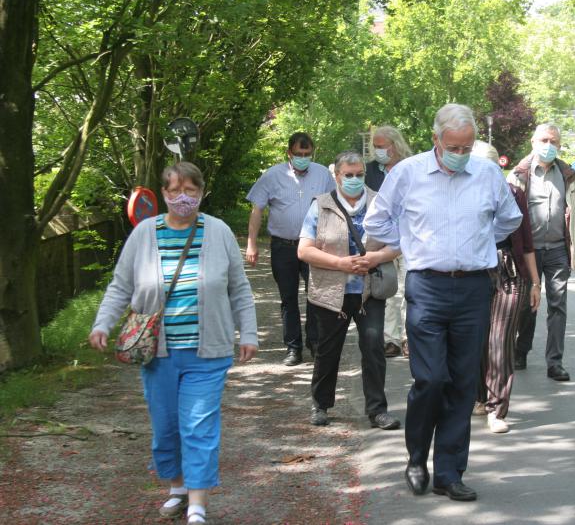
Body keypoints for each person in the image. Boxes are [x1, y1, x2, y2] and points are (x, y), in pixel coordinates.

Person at [364, 103, 522, 502]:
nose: (461, 153)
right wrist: (410, 242)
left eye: (467, 146)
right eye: (454, 146)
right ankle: (417, 457)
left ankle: (450, 472)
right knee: (431, 378)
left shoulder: (487, 173)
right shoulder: (408, 173)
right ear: (436, 139)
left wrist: (480, 241)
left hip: (473, 288)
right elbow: (376, 221)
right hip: (427, 287)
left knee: (463, 384)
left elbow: (509, 219)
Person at [90, 162, 258, 525]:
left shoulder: (218, 231)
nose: (183, 198)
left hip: (207, 352)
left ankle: (197, 502)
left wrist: (249, 333)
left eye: (191, 191)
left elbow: (239, 288)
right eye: (174, 192)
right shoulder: (144, 234)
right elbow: (120, 286)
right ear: (163, 195)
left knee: (198, 425)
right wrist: (102, 323)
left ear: (201, 192)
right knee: (165, 427)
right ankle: (178, 487)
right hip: (157, 354)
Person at [298, 151, 402, 430]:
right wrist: (340, 263)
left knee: (373, 349)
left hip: (370, 290)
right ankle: (320, 405)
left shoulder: (381, 203)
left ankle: (377, 411)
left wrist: (376, 258)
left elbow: (400, 242)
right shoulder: (320, 206)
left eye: (359, 175)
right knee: (327, 350)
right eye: (349, 175)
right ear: (337, 175)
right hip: (331, 292)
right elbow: (304, 250)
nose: (354, 180)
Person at [245, 132, 334, 366]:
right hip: (283, 246)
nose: (303, 158)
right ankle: (293, 348)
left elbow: (335, 207)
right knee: (288, 298)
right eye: (298, 154)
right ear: (289, 153)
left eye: (307, 154)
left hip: (315, 247)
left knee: (316, 296)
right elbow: (257, 210)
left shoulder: (323, 174)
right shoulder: (273, 176)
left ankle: (315, 344)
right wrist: (251, 243)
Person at [508, 123, 575, 381]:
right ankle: (520, 350)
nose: (549, 145)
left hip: (557, 251)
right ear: (533, 142)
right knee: (525, 305)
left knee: (558, 305)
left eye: (554, 141)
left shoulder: (567, 175)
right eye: (544, 140)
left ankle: (555, 362)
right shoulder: (518, 174)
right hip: (527, 253)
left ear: (560, 145)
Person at [471, 141, 540, 434]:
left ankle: (496, 409)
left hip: (510, 272)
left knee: (499, 340)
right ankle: (478, 396)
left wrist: (536, 282)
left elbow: (525, 241)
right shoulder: (460, 193)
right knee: (476, 339)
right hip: (473, 273)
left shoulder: (514, 194)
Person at [365, 125, 413, 358]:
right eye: (375, 147)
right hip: (381, 239)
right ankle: (390, 339)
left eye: (381, 146)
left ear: (394, 145)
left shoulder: (411, 167)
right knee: (388, 290)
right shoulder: (369, 171)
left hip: (410, 236)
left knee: (408, 289)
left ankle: (409, 338)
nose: (377, 151)